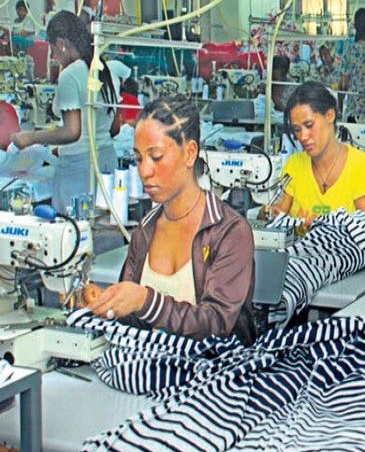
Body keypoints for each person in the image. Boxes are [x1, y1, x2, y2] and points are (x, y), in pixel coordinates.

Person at [87, 96, 256, 344]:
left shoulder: (229, 232)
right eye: (139, 158)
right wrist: (107, 303)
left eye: (156, 157)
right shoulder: (145, 230)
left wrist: (145, 301)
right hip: (150, 363)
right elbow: (135, 322)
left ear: (190, 153)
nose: (144, 171)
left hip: (214, 365)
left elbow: (216, 323)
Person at [10, 11, 120, 212]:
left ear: (61, 43)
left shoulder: (70, 75)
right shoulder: (105, 69)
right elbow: (115, 127)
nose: (54, 57)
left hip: (79, 170)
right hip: (107, 163)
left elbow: (72, 131)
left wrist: (31, 138)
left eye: (53, 50)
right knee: (102, 223)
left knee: (71, 227)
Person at [270, 82, 365, 223]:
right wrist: (268, 213)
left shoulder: (363, 169)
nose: (303, 136)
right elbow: (278, 216)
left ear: (330, 115)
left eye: (309, 125)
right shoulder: (294, 165)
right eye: (297, 129)